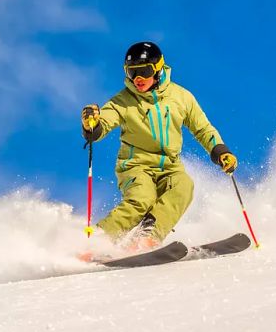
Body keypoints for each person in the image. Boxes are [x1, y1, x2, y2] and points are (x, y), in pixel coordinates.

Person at [81, 41, 237, 250]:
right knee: (142, 199)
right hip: (135, 166)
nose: (138, 79)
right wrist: (93, 125)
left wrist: (220, 151)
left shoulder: (181, 97)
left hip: (170, 166)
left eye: (144, 71)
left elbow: (203, 129)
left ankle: (147, 238)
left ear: (158, 69)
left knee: (184, 187)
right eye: (132, 73)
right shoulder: (123, 101)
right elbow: (104, 122)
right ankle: (97, 242)